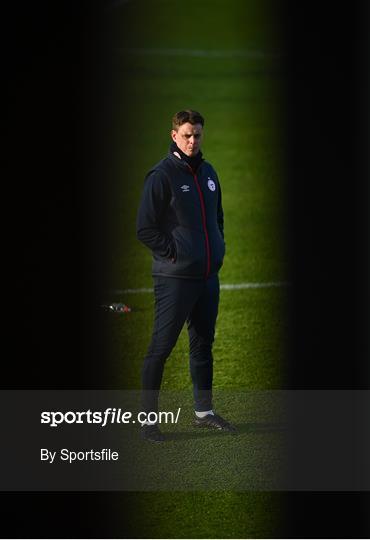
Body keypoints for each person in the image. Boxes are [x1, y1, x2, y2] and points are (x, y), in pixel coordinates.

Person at [136, 109, 236, 441]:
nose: (192, 141)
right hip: (175, 280)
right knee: (160, 349)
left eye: (197, 135)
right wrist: (176, 255)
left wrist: (216, 246)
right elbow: (145, 229)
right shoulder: (161, 176)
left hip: (208, 278)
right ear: (174, 135)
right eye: (187, 135)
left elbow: (217, 216)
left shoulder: (208, 172)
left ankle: (203, 413)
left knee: (203, 345)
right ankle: (148, 422)